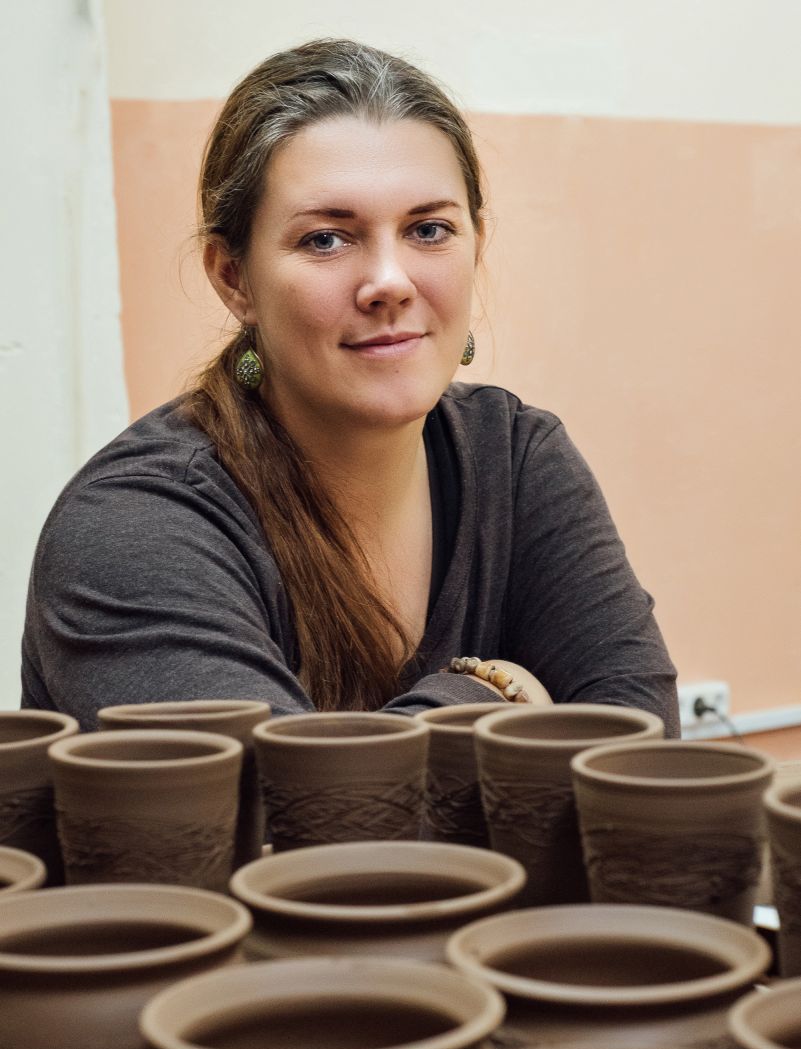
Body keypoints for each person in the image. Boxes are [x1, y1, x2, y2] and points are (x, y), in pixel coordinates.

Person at [21, 39, 679, 735]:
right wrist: (491, 694)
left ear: (476, 245)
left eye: (429, 229)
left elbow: (641, 760)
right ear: (233, 278)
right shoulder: (135, 527)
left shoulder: (516, 460)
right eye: (326, 240)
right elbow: (292, 802)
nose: (390, 282)